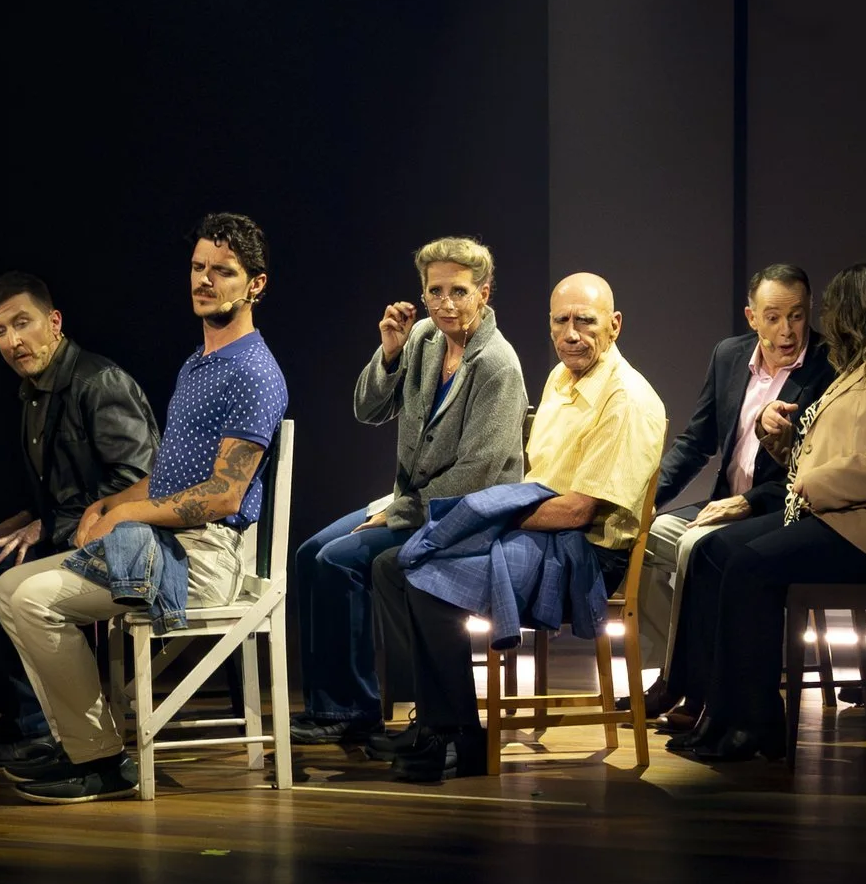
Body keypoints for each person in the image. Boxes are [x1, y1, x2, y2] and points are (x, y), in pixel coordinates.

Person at [0, 213, 289, 803]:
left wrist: (129, 517)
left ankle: (99, 760)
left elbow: (224, 495)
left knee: (33, 601)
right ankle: (82, 743)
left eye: (222, 272)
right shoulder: (197, 363)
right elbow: (165, 476)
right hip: (166, 544)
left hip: (204, 559)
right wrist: (107, 504)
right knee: (8, 589)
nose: (205, 281)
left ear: (255, 285)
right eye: (199, 268)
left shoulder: (254, 371)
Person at [367, 272, 665, 782]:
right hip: (539, 533)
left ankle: (460, 736)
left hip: (585, 554)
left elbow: (578, 511)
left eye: (585, 322)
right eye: (561, 321)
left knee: (426, 577)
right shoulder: (560, 378)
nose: (571, 333)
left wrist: (492, 513)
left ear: (614, 326)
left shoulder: (628, 400)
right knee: (394, 566)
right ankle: (440, 723)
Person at [672, 262, 866, 763]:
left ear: (863, 311)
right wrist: (784, 447)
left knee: (748, 566)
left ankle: (755, 721)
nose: (828, 323)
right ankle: (720, 710)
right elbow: (829, 450)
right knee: (716, 552)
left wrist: (820, 481)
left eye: (835, 310)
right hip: (843, 518)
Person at [287, 237, 528, 747]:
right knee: (311, 554)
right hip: (410, 501)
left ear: (483, 293)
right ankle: (334, 703)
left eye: (458, 291)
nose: (445, 303)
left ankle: (354, 709)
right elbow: (368, 410)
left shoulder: (497, 365)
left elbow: (478, 475)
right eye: (434, 291)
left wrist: (400, 511)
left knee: (339, 561)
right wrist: (388, 354)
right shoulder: (423, 339)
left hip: (462, 514)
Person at [0, 272, 159, 767]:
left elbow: (140, 477)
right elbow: (57, 491)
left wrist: (45, 526)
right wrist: (18, 522)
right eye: (0, 331)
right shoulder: (34, 391)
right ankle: (24, 716)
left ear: (55, 321)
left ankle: (38, 727)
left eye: (23, 323)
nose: (13, 340)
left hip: (116, 542)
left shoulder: (98, 381)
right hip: (71, 531)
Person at [640, 263, 835, 730]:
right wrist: (644, 499)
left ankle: (689, 685)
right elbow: (696, 441)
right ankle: (685, 670)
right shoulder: (729, 355)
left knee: (694, 547)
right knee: (640, 539)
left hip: (778, 511)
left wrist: (751, 502)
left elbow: (820, 466)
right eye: (773, 317)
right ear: (752, 317)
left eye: (797, 316)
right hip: (724, 502)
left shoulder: (830, 364)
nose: (787, 330)